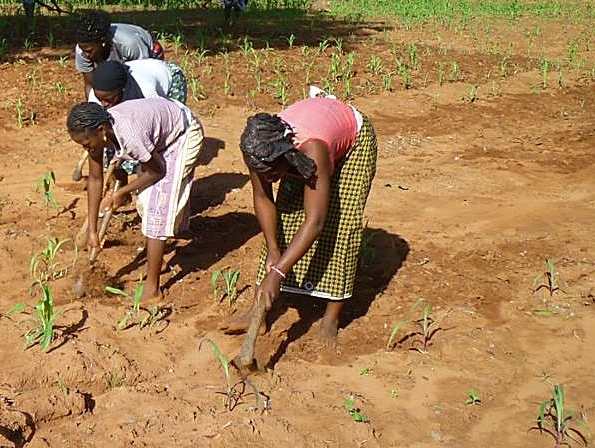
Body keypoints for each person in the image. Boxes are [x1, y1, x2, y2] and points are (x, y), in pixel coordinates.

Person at [224, 92, 377, 347]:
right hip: (308, 137)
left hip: (352, 143)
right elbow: (263, 198)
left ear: (286, 157)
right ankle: (257, 315)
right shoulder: (256, 147)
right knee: (283, 222)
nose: (269, 178)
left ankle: (331, 317)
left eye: (273, 172)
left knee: (340, 224)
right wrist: (274, 249)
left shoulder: (312, 149)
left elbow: (315, 221)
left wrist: (278, 273)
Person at [67, 100, 204, 303]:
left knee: (155, 208)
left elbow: (158, 171)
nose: (86, 149)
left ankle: (153, 289)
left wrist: (122, 191)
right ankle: (157, 260)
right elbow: (96, 180)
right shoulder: (97, 135)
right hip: (157, 137)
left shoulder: (130, 135)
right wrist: (93, 232)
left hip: (182, 134)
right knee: (146, 202)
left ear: (101, 130)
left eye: (87, 144)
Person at [73, 10, 164, 91]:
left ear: (102, 42)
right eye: (83, 50)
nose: (85, 55)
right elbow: (90, 84)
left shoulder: (129, 44)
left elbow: (145, 75)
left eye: (89, 51)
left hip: (149, 53)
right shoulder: (82, 50)